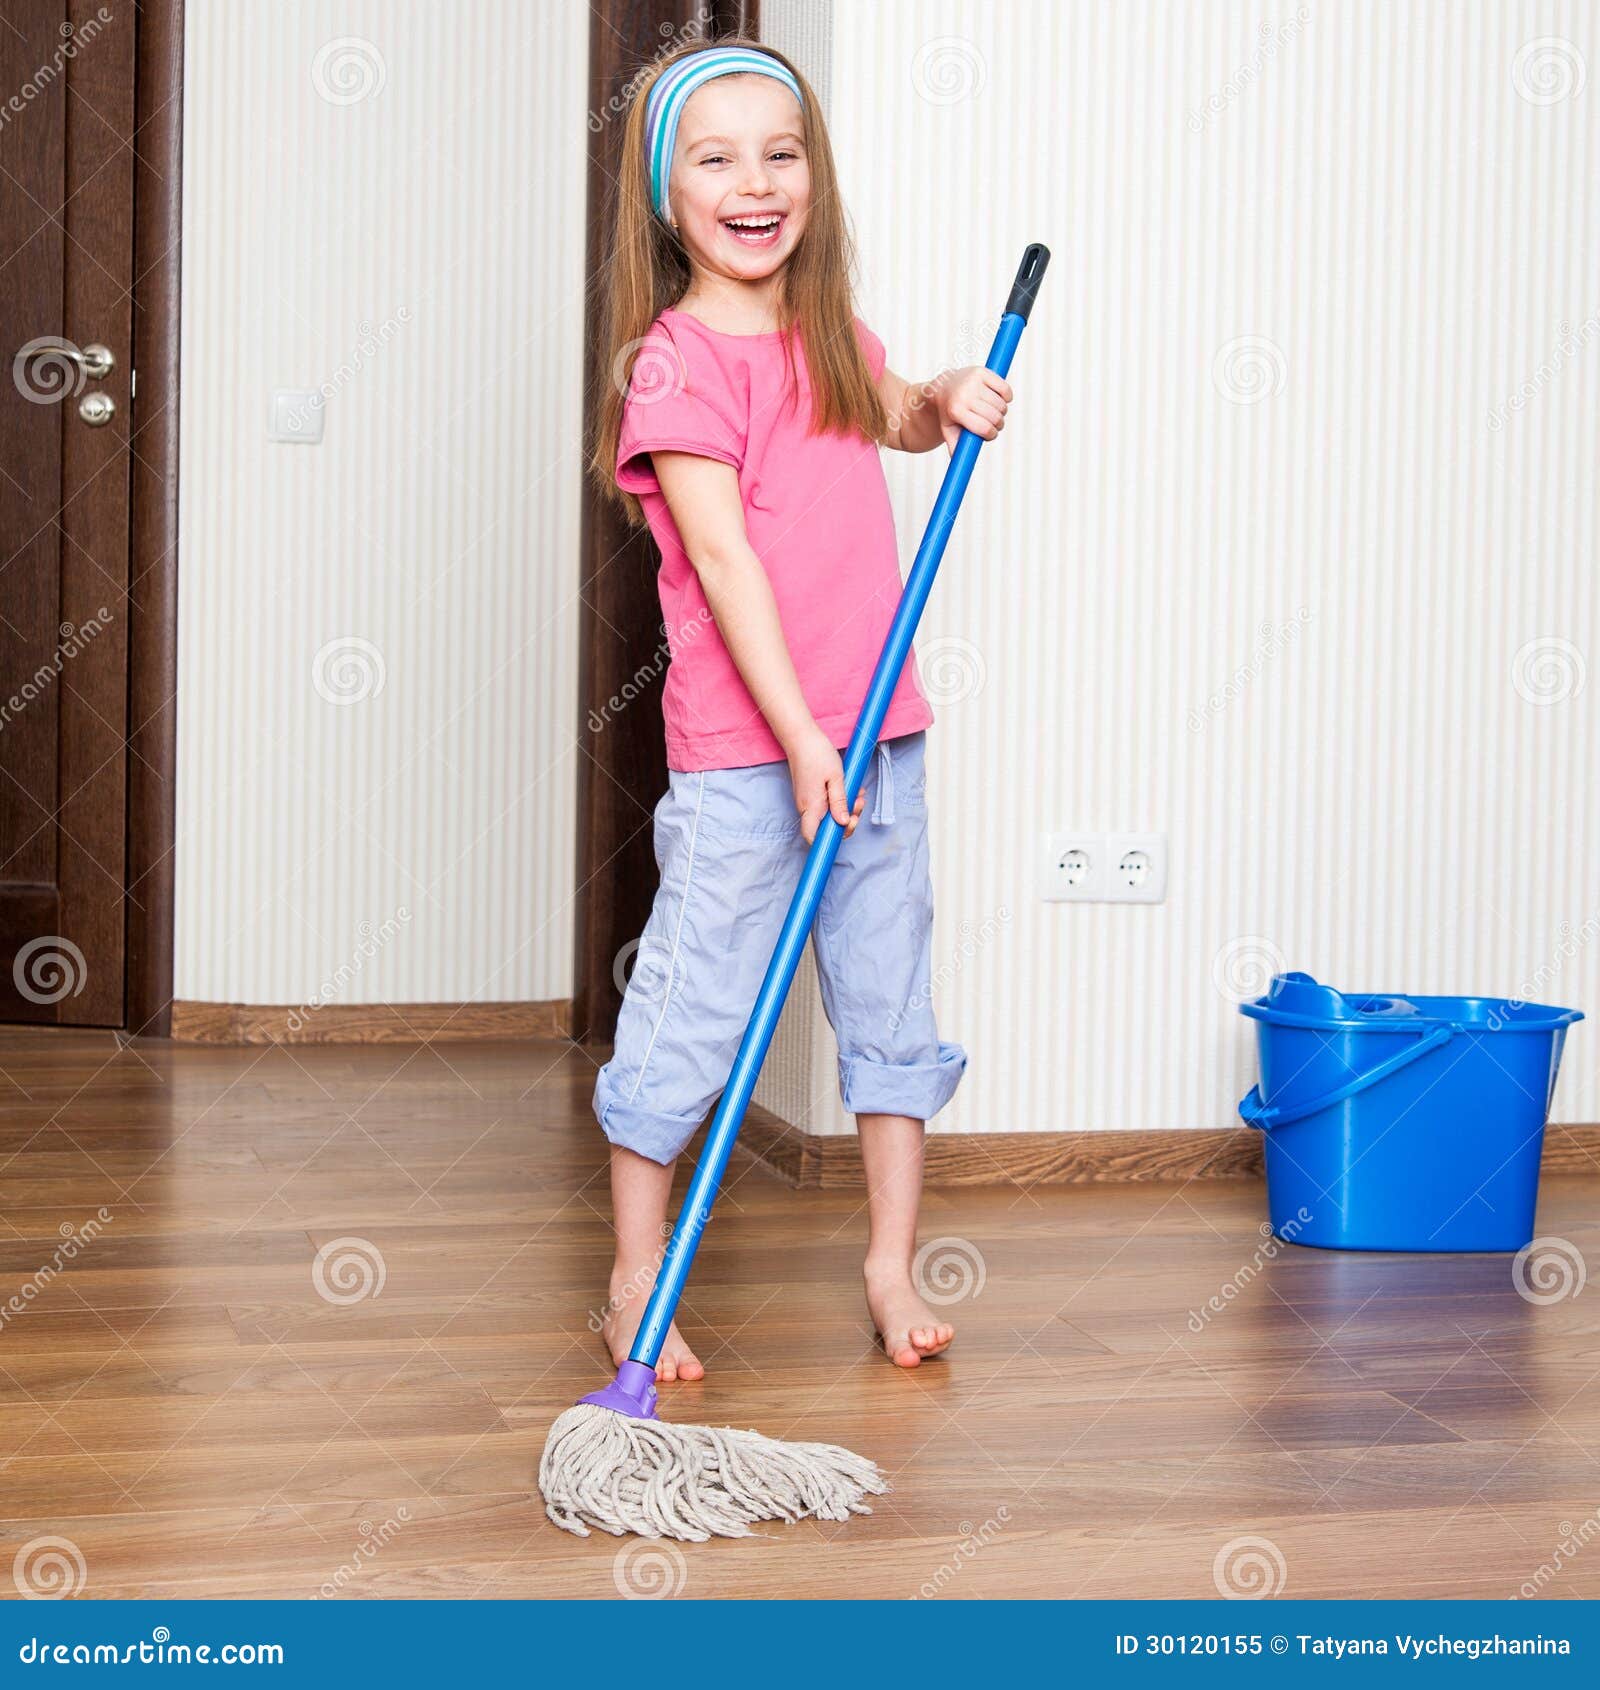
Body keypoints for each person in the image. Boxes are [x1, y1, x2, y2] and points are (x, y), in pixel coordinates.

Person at [588, 38, 1011, 1381]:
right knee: (693, 1005)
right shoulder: (673, 369)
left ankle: (890, 1267)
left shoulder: (832, 334)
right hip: (743, 754)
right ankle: (635, 1276)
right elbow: (724, 565)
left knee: (889, 1001)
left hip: (878, 730)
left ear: (813, 177)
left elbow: (896, 417)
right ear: (667, 197)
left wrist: (943, 393)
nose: (755, 182)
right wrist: (798, 736)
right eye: (716, 159)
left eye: (782, 153)